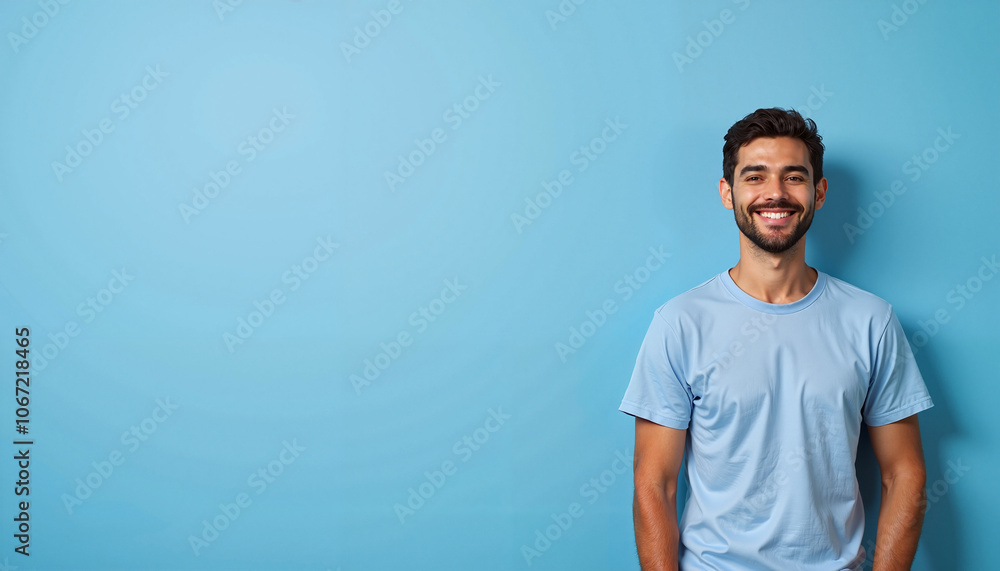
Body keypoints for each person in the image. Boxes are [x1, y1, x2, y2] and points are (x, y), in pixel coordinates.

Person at [619, 108, 934, 570]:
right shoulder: (680, 323)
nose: (775, 193)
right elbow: (654, 484)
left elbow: (905, 474)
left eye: (793, 177)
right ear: (728, 193)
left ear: (818, 193)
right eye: (755, 176)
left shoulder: (872, 321)